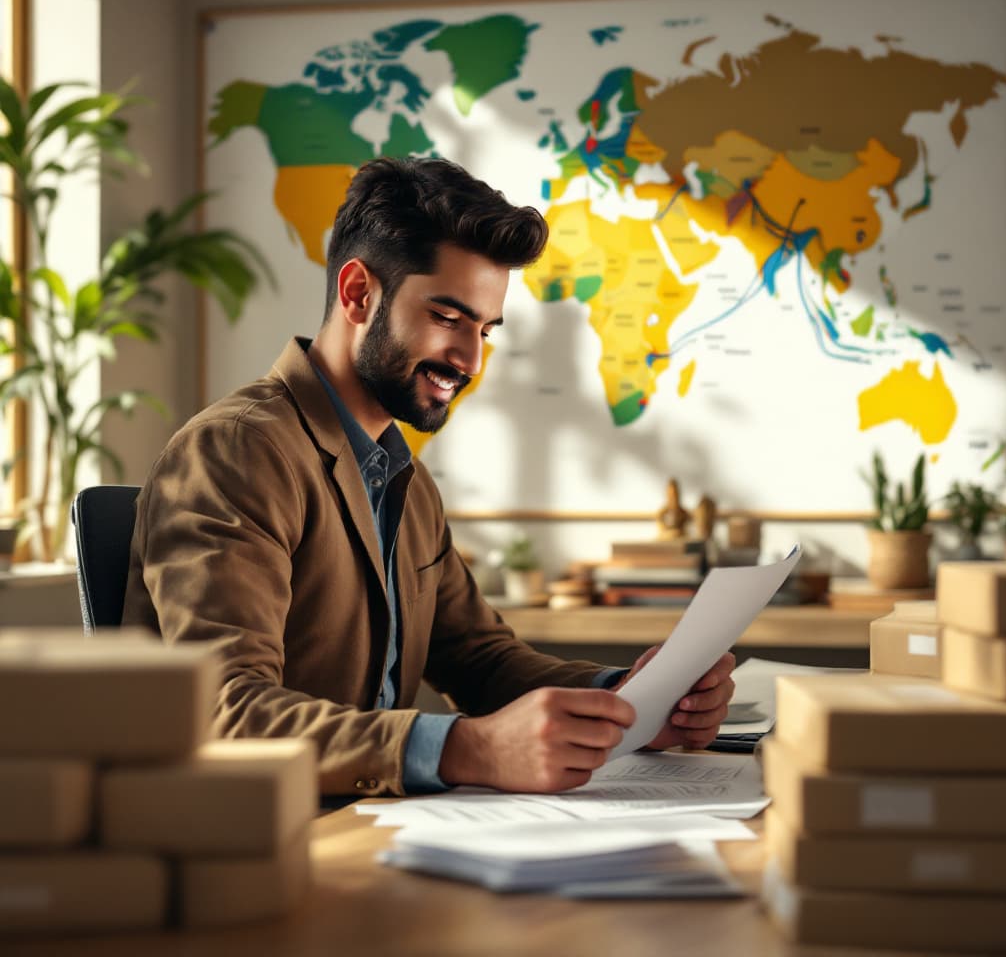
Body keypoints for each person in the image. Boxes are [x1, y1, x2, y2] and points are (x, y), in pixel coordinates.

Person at [123, 157, 735, 797]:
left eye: (485, 330)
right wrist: (469, 749)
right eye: (447, 318)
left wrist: (626, 701)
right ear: (358, 294)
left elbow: (480, 660)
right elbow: (225, 709)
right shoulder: (236, 450)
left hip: (370, 820)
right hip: (261, 830)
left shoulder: (402, 477)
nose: (471, 359)